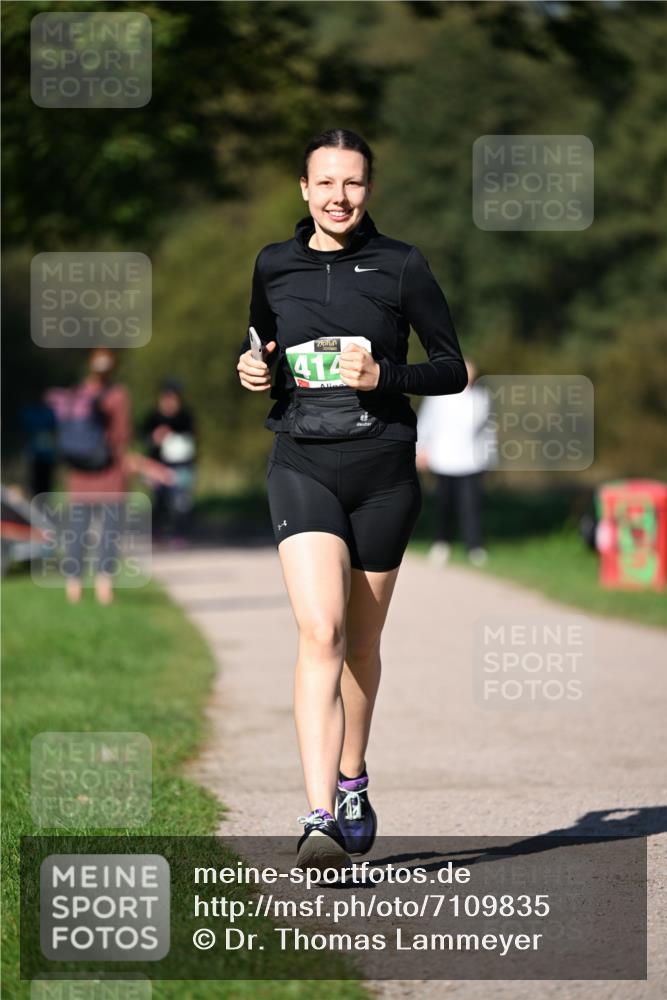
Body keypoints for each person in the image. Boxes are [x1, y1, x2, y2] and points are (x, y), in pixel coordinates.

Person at [237, 128, 467, 870]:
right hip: (301, 462)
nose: (339, 197)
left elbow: (450, 368)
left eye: (354, 183)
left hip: (383, 474)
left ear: (368, 189)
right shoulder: (273, 264)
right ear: (303, 189)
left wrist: (385, 380)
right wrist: (251, 371)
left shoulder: (401, 265)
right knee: (320, 632)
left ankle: (352, 778)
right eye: (325, 183)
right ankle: (317, 819)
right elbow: (266, 353)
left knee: (360, 644)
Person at [46, 347, 132, 605]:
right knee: (108, 532)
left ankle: (73, 588)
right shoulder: (118, 394)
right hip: (110, 473)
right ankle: (104, 589)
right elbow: (122, 436)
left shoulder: (75, 393)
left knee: (77, 532)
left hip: (78, 475)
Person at [416, 358, 497, 567]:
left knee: (471, 506)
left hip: (471, 461)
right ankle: (441, 543)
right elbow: (426, 423)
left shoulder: (481, 398)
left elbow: (488, 430)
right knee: (444, 505)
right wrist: (421, 449)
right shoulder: (439, 396)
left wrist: (491, 456)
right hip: (443, 459)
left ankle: (475, 547)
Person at [141, 378, 197, 545]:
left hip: (182, 466)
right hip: (158, 466)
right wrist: (154, 438)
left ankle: (177, 534)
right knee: (159, 501)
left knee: (180, 503)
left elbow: (193, 440)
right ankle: (157, 533)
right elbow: (144, 439)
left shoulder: (185, 417)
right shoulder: (153, 417)